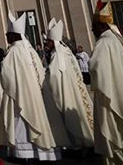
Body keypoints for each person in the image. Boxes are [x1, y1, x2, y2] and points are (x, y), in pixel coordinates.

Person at [0, 12, 61, 161]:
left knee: (21, 122)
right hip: (36, 95)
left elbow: (6, 75)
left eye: (7, 34)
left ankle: (24, 153)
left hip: (19, 94)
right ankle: (40, 153)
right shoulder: (30, 50)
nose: (6, 36)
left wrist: (8, 88)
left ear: (13, 35)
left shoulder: (13, 51)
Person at [90, 0, 123, 165]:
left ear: (101, 26)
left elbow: (96, 70)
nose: (92, 29)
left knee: (119, 137)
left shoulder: (104, 43)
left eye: (94, 26)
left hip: (115, 97)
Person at [42, 19, 93, 150]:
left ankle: (77, 146)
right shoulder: (67, 52)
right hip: (75, 89)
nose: (46, 43)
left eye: (48, 41)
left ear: (53, 41)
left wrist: (45, 78)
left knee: (70, 119)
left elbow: (55, 77)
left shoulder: (57, 55)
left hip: (66, 91)